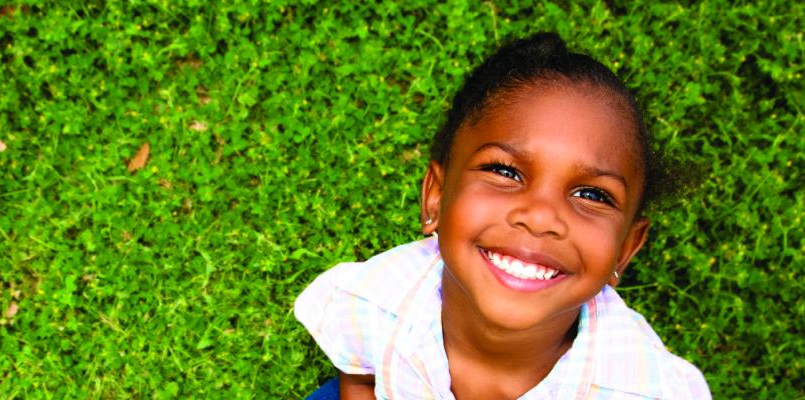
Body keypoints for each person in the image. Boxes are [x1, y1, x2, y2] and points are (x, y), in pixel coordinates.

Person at [295, 32, 711, 399]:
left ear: (625, 247)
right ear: (436, 197)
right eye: (504, 171)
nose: (540, 216)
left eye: (591, 194)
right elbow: (359, 374)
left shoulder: (640, 387)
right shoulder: (379, 299)